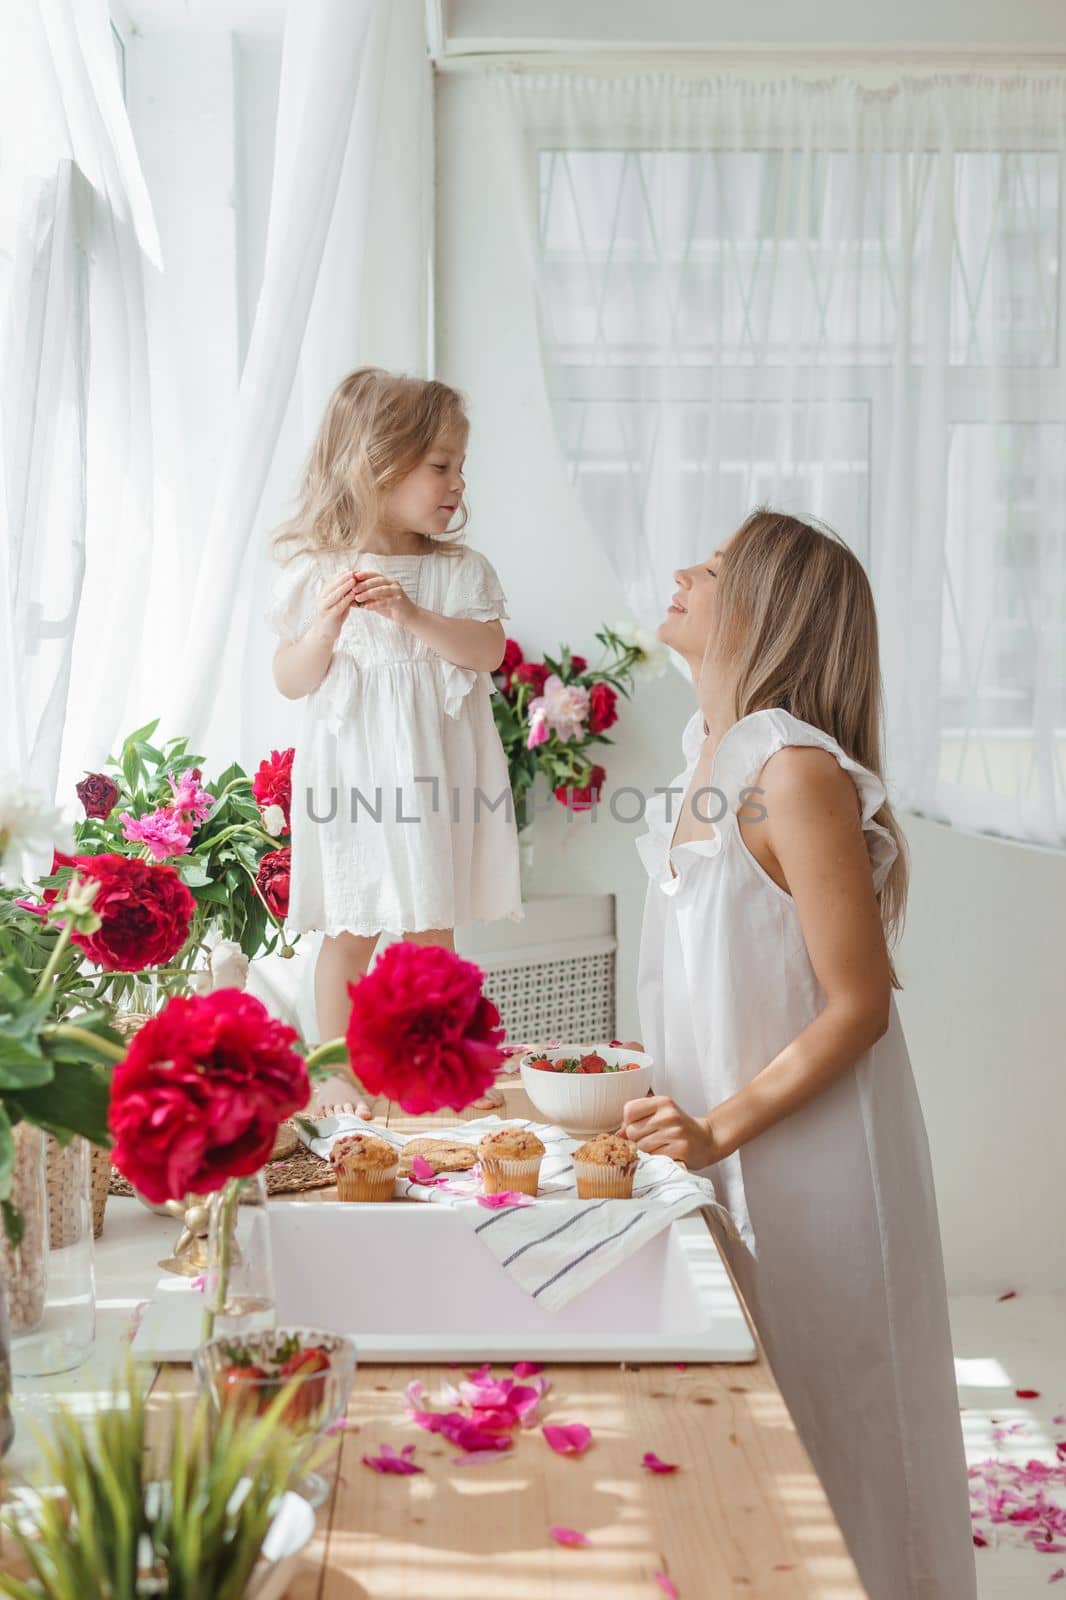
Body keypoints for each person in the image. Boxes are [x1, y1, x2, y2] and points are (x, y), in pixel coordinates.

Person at [620, 508, 976, 1599]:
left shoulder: (791, 767)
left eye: (714, 566)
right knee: (760, 1419)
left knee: (842, 1419)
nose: (682, 570)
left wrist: (713, 1125)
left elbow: (857, 1004)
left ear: (767, 608)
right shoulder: (706, 756)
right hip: (721, 1157)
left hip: (813, 1171)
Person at [265, 368, 523, 1116]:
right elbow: (292, 678)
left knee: (429, 928)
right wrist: (325, 629)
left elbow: (486, 653)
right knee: (350, 923)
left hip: (433, 777)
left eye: (460, 468)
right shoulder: (316, 572)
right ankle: (337, 1070)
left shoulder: (458, 572)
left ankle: (431, 1069)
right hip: (353, 776)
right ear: (375, 464)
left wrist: (410, 616)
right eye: (440, 466)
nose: (457, 486)